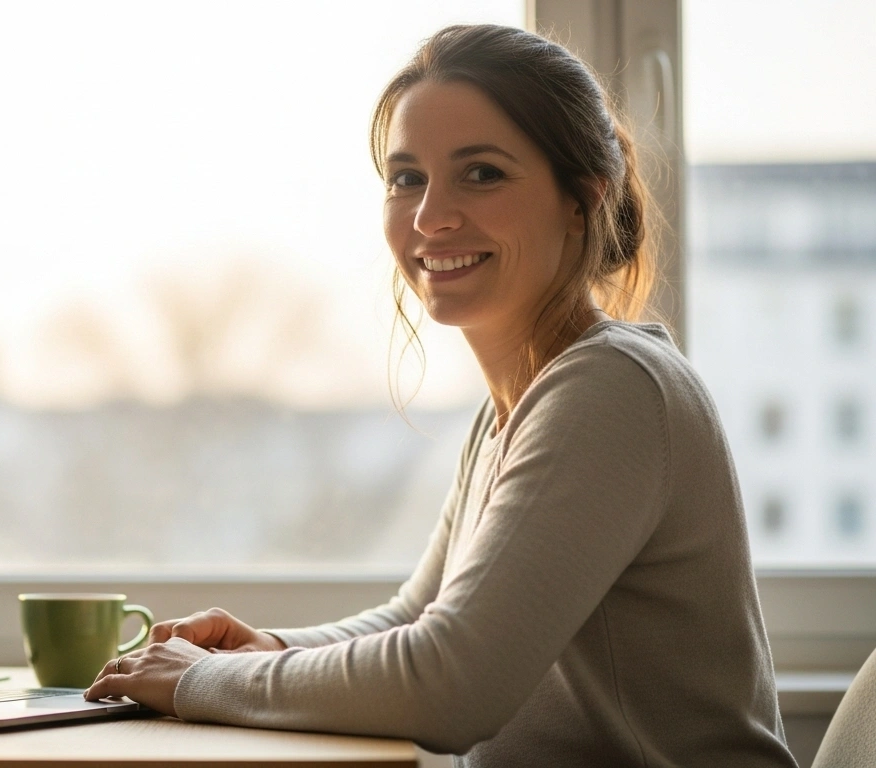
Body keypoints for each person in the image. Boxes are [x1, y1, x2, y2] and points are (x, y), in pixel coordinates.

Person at [83, 23, 799, 768]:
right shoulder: (518, 407)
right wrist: (269, 647)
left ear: (581, 200)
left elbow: (451, 683)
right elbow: (417, 618)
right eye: (406, 178)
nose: (430, 217)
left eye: (481, 173)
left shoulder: (612, 389)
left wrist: (207, 680)